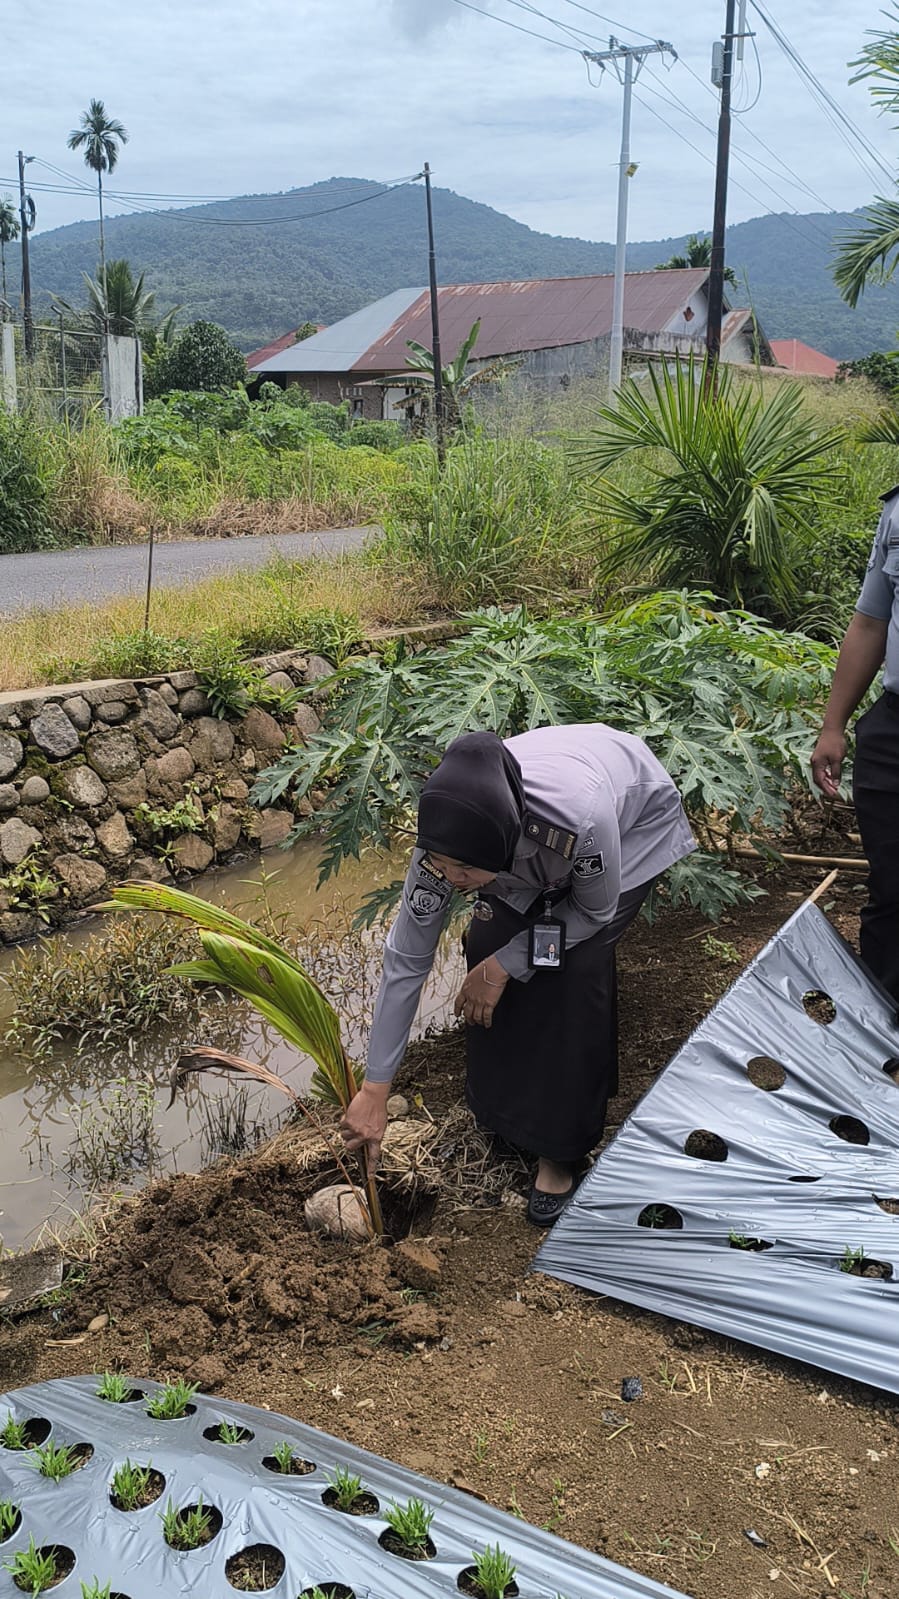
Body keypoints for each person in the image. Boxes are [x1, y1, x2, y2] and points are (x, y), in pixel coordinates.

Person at [340, 724, 696, 1225]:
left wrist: (507, 964)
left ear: (504, 846)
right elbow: (407, 959)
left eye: (463, 870)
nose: (452, 880)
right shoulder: (445, 845)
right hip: (521, 846)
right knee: (484, 937)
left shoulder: (580, 824)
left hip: (629, 827)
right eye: (441, 866)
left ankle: (561, 1149)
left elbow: (591, 913)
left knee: (570, 968)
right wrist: (376, 1088)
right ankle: (501, 1112)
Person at [811, 484, 899, 1000]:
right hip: (893, 730)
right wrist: (833, 725)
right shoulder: (896, 512)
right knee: (891, 891)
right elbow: (870, 622)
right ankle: (882, 1045)